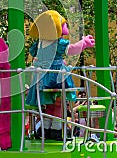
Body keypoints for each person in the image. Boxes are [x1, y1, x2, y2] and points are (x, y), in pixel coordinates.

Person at [25, 10, 95, 140]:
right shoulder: (58, 43)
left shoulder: (39, 43)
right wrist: (84, 43)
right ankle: (56, 129)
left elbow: (36, 55)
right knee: (59, 102)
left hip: (43, 76)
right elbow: (71, 50)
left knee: (49, 103)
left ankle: (46, 128)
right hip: (56, 74)